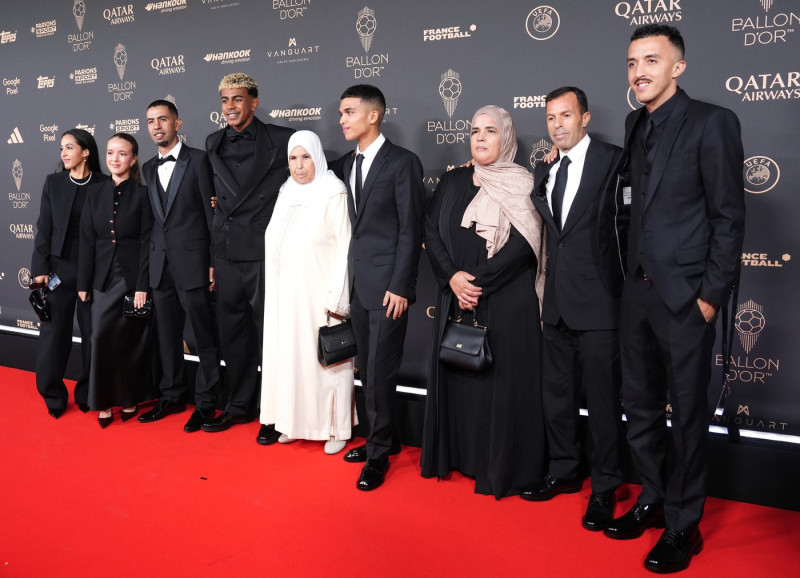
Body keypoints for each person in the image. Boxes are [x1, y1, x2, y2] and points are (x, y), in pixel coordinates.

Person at [603, 25, 745, 574]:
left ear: (678, 67)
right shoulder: (635, 122)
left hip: (687, 298)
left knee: (686, 416)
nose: (639, 71)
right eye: (633, 61)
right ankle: (652, 498)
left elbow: (729, 217)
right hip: (635, 293)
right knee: (638, 407)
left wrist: (710, 296)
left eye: (652, 60)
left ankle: (684, 526)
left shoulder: (713, 122)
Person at [420, 105, 545, 499]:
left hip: (506, 300)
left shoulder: (523, 183)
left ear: (505, 137)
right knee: (461, 378)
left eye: (490, 131)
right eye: (475, 130)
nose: (480, 137)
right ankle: (459, 456)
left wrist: (476, 281)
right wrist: (453, 278)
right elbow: (431, 231)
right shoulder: (453, 181)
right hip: (457, 296)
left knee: (500, 385)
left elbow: (526, 243)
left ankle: (497, 467)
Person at [523, 86, 625, 531]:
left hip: (602, 301)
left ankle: (605, 487)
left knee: (602, 402)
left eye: (566, 115)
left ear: (584, 118)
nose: (557, 124)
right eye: (550, 118)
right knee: (557, 396)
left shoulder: (613, 159)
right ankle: (564, 470)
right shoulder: (545, 172)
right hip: (556, 302)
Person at [335, 84, 425, 490]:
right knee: (365, 370)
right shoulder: (344, 164)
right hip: (357, 286)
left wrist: (402, 286)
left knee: (381, 373)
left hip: (389, 288)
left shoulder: (402, 162)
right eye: (340, 113)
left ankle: (377, 455)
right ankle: (379, 441)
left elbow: (411, 228)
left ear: (373, 115)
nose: (342, 120)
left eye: (349, 112)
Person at [203, 73, 294, 435]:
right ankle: (239, 405)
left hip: (264, 252)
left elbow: (316, 173)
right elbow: (211, 200)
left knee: (270, 336)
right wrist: (212, 257)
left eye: (237, 100)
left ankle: (274, 413)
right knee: (233, 335)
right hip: (225, 253)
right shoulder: (212, 143)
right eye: (225, 100)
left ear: (253, 102)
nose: (230, 107)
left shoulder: (282, 139)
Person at [259, 130, 355, 454]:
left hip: (319, 298)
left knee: (326, 365)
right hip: (285, 300)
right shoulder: (286, 192)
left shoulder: (333, 192)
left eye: (306, 157)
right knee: (290, 362)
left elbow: (345, 248)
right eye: (293, 158)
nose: (299, 167)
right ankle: (293, 422)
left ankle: (335, 428)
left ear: (318, 157)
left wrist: (337, 300)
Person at [137, 99, 221, 433]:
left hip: (194, 262)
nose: (156, 126)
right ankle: (171, 395)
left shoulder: (199, 160)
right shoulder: (146, 167)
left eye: (162, 120)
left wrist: (213, 263)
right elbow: (154, 224)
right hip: (161, 265)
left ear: (177, 123)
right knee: (167, 337)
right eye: (150, 121)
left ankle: (206, 403)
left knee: (203, 337)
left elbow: (211, 215)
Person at [77, 133, 152, 428]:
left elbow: (148, 242)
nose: (115, 159)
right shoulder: (94, 193)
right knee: (98, 339)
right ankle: (103, 402)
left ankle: (130, 398)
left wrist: (143, 286)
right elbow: (86, 241)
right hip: (102, 278)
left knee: (128, 342)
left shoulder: (144, 195)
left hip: (132, 280)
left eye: (122, 154)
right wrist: (83, 283)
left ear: (133, 159)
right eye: (110, 153)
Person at [31, 128, 107, 418]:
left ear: (85, 152)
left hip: (94, 270)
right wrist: (40, 269)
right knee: (53, 334)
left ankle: (89, 393)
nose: (63, 153)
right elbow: (44, 229)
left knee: (93, 335)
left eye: (69, 147)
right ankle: (53, 395)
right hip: (59, 270)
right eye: (61, 148)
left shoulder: (103, 183)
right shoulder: (54, 183)